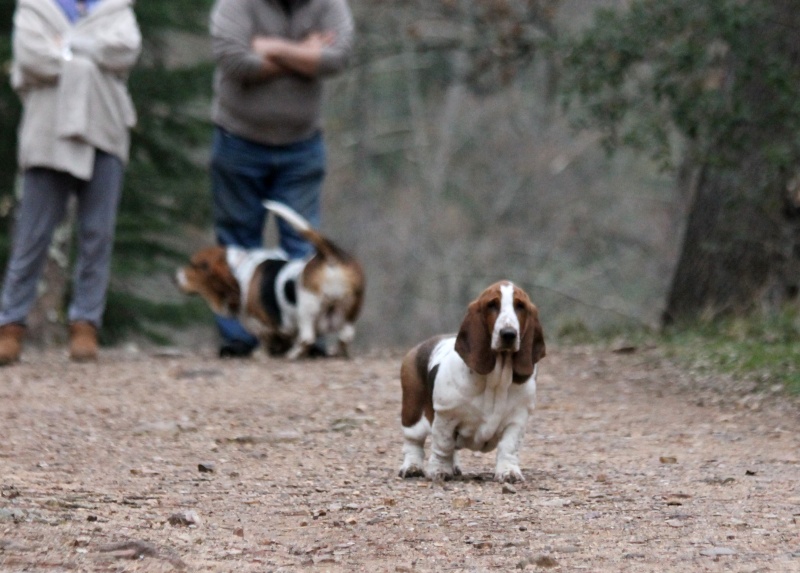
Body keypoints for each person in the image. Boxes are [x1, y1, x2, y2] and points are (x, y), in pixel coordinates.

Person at [209, 0, 354, 358]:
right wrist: (305, 55)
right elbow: (235, 59)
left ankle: (303, 334)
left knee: (302, 243)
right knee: (237, 242)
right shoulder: (236, 4)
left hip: (302, 146)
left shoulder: (328, 5)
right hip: (237, 139)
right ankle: (241, 335)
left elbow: (336, 58)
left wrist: (270, 47)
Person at [0, 0, 141, 365]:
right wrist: (91, 53)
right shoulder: (34, 7)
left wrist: (66, 46)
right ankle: (10, 325)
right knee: (32, 236)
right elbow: (31, 58)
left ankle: (85, 324)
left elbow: (125, 50)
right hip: (47, 135)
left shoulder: (117, 8)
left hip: (105, 132)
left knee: (97, 234)